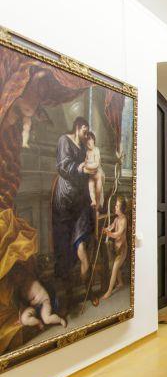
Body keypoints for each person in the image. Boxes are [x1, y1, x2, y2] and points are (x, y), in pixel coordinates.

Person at [52, 116, 96, 282]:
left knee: (82, 237)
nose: (86, 134)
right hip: (65, 198)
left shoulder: (84, 148)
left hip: (80, 198)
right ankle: (66, 281)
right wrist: (80, 168)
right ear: (79, 126)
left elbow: (88, 168)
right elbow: (63, 166)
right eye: (85, 129)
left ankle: (84, 281)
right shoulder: (64, 140)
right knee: (64, 239)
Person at [99, 196, 128, 302]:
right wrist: (106, 229)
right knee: (116, 267)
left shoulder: (124, 220)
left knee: (115, 268)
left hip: (122, 250)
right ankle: (120, 283)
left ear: (122, 209)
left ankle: (109, 291)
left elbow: (118, 234)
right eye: (115, 205)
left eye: (117, 206)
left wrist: (109, 234)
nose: (115, 207)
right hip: (116, 248)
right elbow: (111, 226)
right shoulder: (116, 219)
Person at [83, 131, 105, 211]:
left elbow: (96, 164)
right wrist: (85, 165)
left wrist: (87, 166)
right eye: (87, 142)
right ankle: (94, 200)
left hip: (98, 171)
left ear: (94, 141)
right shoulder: (87, 152)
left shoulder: (96, 150)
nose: (89, 143)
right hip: (91, 173)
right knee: (90, 184)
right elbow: (85, 162)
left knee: (98, 184)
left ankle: (98, 201)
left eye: (91, 140)